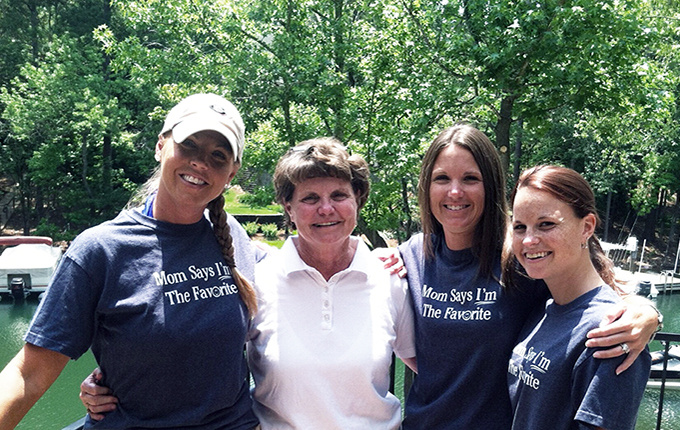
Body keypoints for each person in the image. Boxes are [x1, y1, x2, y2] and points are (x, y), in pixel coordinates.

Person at [81, 138, 417, 429]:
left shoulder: (390, 279)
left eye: (339, 195)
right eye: (310, 198)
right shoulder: (257, 277)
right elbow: (196, 350)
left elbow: (435, 368)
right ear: (288, 207)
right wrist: (112, 384)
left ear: (358, 199)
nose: (326, 209)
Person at [0, 93, 263, 429]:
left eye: (218, 155)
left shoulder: (233, 236)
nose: (201, 163)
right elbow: (30, 374)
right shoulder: (100, 250)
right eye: (189, 145)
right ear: (160, 146)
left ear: (232, 172)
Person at [397, 124, 660, 429]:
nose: (455, 191)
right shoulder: (412, 256)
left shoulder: (518, 258)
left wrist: (647, 314)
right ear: (426, 187)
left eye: (470, 178)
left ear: (490, 186)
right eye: (441, 178)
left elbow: (588, 290)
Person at [502, 165, 650, 429]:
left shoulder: (613, 331)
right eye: (520, 227)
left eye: (546, 225)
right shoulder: (543, 307)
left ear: (587, 227)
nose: (528, 240)